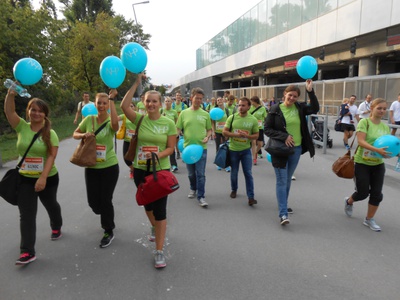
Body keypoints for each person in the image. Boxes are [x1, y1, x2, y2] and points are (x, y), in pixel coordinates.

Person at [121, 75, 176, 268]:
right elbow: (124, 106)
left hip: (160, 171)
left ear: (160, 103)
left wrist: (158, 155)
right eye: (148, 101)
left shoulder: (168, 123)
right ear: (143, 103)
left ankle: (159, 251)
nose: (151, 104)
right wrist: (136, 84)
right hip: (140, 171)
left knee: (160, 210)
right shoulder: (139, 119)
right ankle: (153, 226)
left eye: (154, 101)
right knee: (147, 205)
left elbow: (171, 148)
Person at [4, 88, 63, 265]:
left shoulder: (50, 133)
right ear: (28, 111)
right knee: (27, 215)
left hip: (48, 177)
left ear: (45, 114)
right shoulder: (21, 126)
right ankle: (27, 251)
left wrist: (43, 178)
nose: (36, 113)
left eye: (40, 110)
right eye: (33, 109)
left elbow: (52, 156)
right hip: (25, 179)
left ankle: (56, 225)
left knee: (51, 204)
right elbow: (9, 111)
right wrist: (11, 94)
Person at [264, 80, 319, 225]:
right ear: (284, 94)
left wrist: (310, 91)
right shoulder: (275, 109)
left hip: (296, 149)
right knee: (282, 181)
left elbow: (315, 108)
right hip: (279, 150)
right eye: (290, 95)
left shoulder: (299, 108)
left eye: (295, 96)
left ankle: (283, 203)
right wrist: (285, 136)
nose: (292, 98)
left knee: (287, 179)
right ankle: (283, 213)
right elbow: (267, 129)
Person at [73, 90, 119, 248]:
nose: (101, 105)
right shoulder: (89, 119)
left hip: (110, 166)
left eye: (104, 103)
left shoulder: (111, 120)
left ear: (108, 105)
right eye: (99, 102)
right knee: (93, 202)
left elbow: (115, 126)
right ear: (94, 103)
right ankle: (104, 214)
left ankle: (108, 230)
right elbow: (74, 133)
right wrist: (83, 135)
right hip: (92, 166)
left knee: (106, 199)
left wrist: (112, 100)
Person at [344, 98, 390, 231]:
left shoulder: (385, 126)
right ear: (372, 109)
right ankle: (349, 201)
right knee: (363, 192)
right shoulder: (364, 122)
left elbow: (388, 144)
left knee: (377, 194)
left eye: (384, 108)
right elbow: (361, 141)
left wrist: (393, 153)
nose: (382, 111)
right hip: (362, 163)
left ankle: (369, 219)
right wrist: (377, 150)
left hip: (378, 164)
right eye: (379, 108)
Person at [176, 87, 212, 208]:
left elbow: (209, 130)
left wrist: (207, 137)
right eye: (197, 98)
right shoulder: (184, 113)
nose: (198, 101)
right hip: (188, 149)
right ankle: (193, 188)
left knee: (200, 174)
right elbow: (178, 128)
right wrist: (174, 137)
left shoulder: (205, 114)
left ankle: (201, 196)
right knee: (191, 174)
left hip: (201, 148)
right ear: (191, 98)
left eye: (201, 99)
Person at [223, 97, 259, 206]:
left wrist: (247, 136)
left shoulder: (253, 119)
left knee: (248, 173)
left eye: (243, 105)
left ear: (248, 107)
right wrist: (236, 135)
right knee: (234, 172)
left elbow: (256, 135)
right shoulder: (232, 117)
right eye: (239, 105)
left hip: (245, 151)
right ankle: (234, 189)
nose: (240, 107)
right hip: (233, 150)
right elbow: (224, 132)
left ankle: (251, 197)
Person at [211, 97, 230, 172]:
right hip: (217, 131)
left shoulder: (227, 110)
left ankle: (227, 164)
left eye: (220, 100)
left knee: (226, 147)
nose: (219, 101)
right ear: (216, 102)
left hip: (225, 131)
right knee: (218, 147)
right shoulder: (214, 111)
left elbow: (229, 120)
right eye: (218, 100)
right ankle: (218, 163)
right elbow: (212, 122)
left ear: (223, 100)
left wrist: (229, 131)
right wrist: (213, 131)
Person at [119, 102, 137, 179]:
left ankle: (137, 171)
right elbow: (114, 119)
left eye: (131, 106)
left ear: (135, 107)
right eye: (128, 106)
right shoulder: (124, 116)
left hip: (136, 141)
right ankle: (133, 169)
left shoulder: (138, 116)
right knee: (126, 158)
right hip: (127, 140)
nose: (130, 108)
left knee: (136, 157)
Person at [162, 96, 179, 172]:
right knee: (162, 148)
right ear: (164, 102)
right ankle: (162, 165)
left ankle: (174, 165)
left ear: (171, 103)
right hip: (162, 133)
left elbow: (177, 122)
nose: (167, 102)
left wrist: (177, 131)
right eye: (166, 101)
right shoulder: (161, 111)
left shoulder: (174, 112)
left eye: (169, 101)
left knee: (171, 149)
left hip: (171, 133)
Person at [249, 95, 267, 165]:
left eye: (252, 101)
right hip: (252, 128)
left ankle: (256, 152)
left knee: (260, 144)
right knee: (253, 143)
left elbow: (265, 117)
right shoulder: (250, 108)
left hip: (260, 128)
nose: (251, 103)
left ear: (255, 101)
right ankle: (254, 158)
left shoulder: (262, 109)